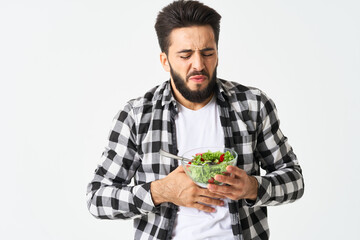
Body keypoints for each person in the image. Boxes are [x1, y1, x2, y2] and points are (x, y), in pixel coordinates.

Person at [86, 1, 304, 239]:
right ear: (165, 61)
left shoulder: (253, 105)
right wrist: (160, 192)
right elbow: (97, 198)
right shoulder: (137, 116)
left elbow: (294, 178)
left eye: (207, 53)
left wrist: (253, 187)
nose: (199, 64)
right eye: (185, 55)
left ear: (217, 55)